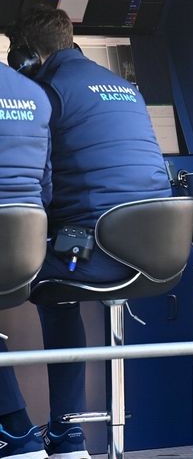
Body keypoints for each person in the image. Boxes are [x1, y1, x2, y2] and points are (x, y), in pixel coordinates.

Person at [3, 7, 172, 458]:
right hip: (158, 243)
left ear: (25, 57)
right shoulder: (125, 86)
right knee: (59, 291)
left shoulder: (45, 91)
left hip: (98, 242)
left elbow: (43, 183)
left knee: (29, 283)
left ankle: (18, 432)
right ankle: (68, 435)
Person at [0, 60, 51, 459]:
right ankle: (18, 434)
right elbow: (45, 187)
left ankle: (16, 430)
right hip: (26, 247)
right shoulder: (35, 92)